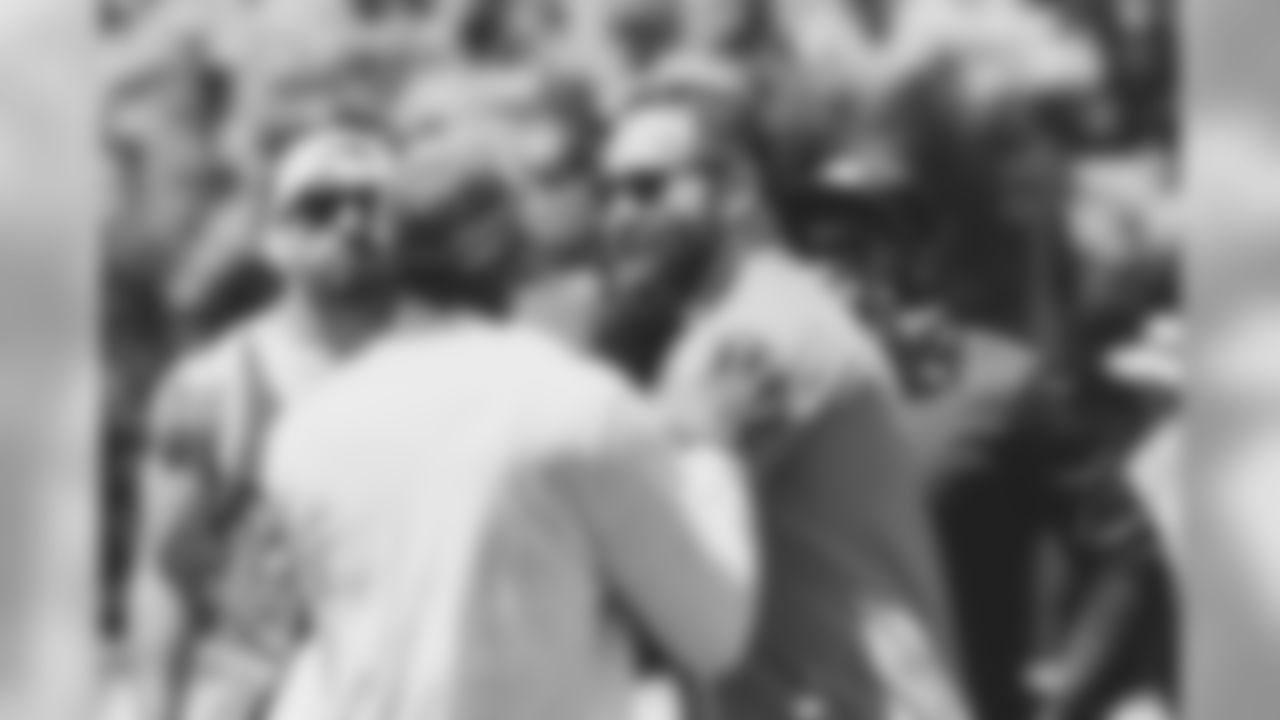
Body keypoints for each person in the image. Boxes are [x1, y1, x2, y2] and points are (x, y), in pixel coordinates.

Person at [259, 121, 759, 720]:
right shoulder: (580, 406)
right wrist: (709, 452)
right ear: (515, 251)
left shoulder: (307, 431)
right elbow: (715, 635)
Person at [595, 86, 971, 720]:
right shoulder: (770, 313)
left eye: (648, 188)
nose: (619, 217)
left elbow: (643, 568)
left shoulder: (749, 339)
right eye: (606, 194)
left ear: (735, 189)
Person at [128, 117, 396, 720]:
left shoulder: (451, 373)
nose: (351, 223)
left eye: (373, 204)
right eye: (318, 207)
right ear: (272, 237)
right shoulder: (215, 388)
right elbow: (167, 575)